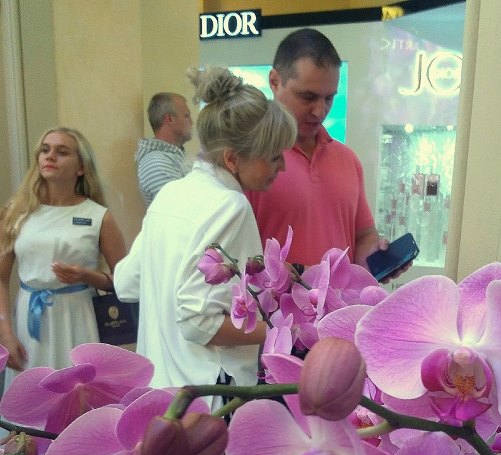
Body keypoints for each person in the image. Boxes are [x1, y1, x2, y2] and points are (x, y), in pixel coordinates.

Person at [114, 66, 297, 408]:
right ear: (232, 158)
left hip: (157, 392)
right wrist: (285, 329)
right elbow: (198, 322)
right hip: (207, 398)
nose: (282, 167)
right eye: (274, 157)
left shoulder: (171, 194)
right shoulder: (231, 206)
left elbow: (125, 283)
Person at [247, 28, 383, 270]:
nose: (320, 111)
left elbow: (363, 237)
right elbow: (236, 255)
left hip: (343, 297)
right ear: (275, 82)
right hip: (269, 297)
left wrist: (376, 258)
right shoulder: (250, 161)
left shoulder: (348, 159)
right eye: (307, 97)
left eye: (329, 98)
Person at [0, 127, 126, 380]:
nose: (50, 156)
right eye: (45, 150)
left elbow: (126, 280)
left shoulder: (98, 216)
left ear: (81, 167)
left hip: (77, 316)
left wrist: (86, 276)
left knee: (75, 389)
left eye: (62, 152)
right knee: (31, 392)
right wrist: (6, 334)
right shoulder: (17, 212)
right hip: (28, 318)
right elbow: (1, 279)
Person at [136, 92, 193, 207]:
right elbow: (183, 208)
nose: (192, 122)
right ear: (170, 119)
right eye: (187, 116)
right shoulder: (155, 163)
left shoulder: (173, 157)